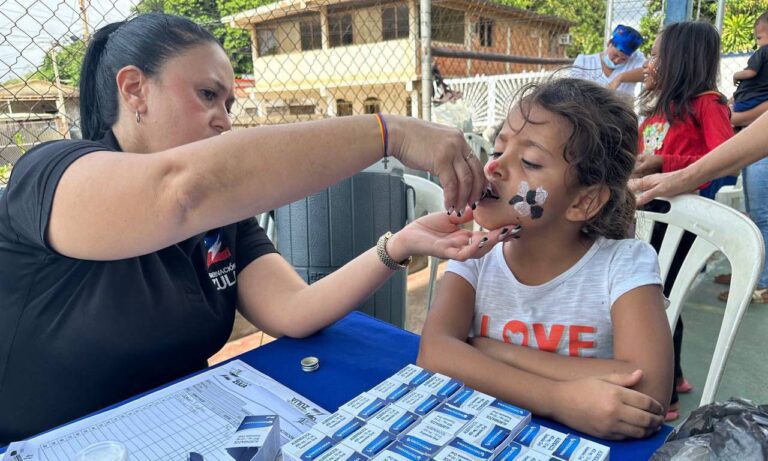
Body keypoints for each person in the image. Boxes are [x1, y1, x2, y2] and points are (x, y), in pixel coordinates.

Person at [0, 13, 505, 444]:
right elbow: (180, 191)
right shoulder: (53, 173)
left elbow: (294, 311)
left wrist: (399, 244)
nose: (223, 120)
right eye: (206, 95)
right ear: (134, 90)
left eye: (228, 105)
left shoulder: (219, 219)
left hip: (183, 433)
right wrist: (389, 133)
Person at [417, 78, 672, 440]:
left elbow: (647, 393)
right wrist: (556, 398)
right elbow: (435, 352)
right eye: (497, 150)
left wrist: (492, 351)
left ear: (583, 201)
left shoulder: (623, 264)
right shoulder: (475, 252)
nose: (493, 168)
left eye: (530, 162)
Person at [633, 21, 733, 422]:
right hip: (650, 220)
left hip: (682, 224)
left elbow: (723, 162)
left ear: (680, 60)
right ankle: (675, 375)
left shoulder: (708, 104)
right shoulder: (658, 109)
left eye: (656, 54)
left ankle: (666, 394)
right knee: (657, 295)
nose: (649, 62)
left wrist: (665, 164)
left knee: (655, 301)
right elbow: (644, 154)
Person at [571, 25, 645, 96]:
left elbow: (649, 73)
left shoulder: (635, 59)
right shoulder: (584, 61)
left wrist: (620, 78)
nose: (616, 61)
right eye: (615, 55)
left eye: (623, 59)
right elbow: (573, 90)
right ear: (609, 43)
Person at [731, 12, 768, 128]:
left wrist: (736, 75)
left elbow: (751, 72)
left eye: (759, 38)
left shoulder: (763, 51)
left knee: (731, 115)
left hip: (748, 100)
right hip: (763, 97)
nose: (757, 43)